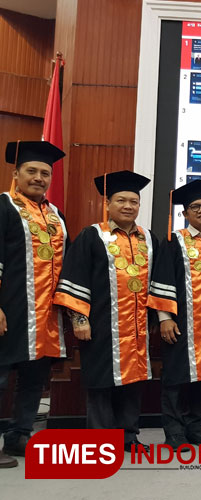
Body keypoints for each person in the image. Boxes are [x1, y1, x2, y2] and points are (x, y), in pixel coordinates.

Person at [53, 170, 156, 452]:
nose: (128, 206)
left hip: (137, 328)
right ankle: (100, 440)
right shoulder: (92, 235)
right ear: (108, 204)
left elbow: (158, 282)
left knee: (133, 381)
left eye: (133, 201)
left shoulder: (148, 239)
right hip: (101, 325)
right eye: (121, 200)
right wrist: (80, 318)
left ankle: (128, 436)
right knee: (100, 382)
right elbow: (75, 277)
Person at [0, 141, 67, 469]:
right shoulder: (4, 206)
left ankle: (19, 434)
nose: (39, 178)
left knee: (32, 379)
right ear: (16, 174)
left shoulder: (56, 216)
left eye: (45, 173)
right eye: (31, 171)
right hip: (9, 310)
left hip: (44, 316)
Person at [148, 180, 201, 451]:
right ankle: (174, 432)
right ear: (185, 213)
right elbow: (162, 280)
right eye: (195, 207)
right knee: (175, 378)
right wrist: (164, 317)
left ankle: (195, 427)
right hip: (182, 323)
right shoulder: (174, 241)